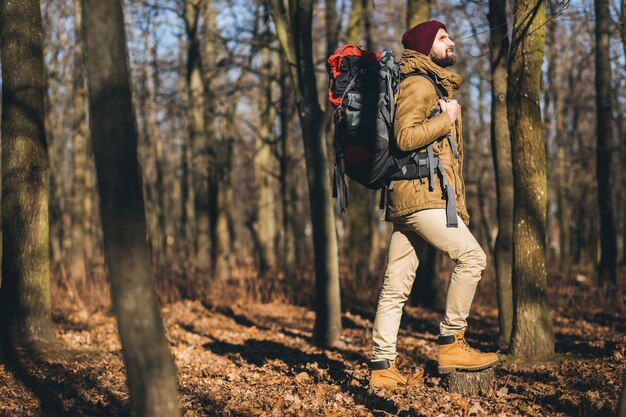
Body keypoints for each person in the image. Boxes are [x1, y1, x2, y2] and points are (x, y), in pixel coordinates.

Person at [369, 20, 498, 389]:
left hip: (410, 198)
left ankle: (381, 368)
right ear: (427, 47)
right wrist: (446, 118)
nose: (451, 42)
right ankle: (451, 341)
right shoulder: (419, 83)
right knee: (473, 258)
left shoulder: (429, 83)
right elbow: (405, 137)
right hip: (422, 199)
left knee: (395, 286)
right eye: (443, 38)